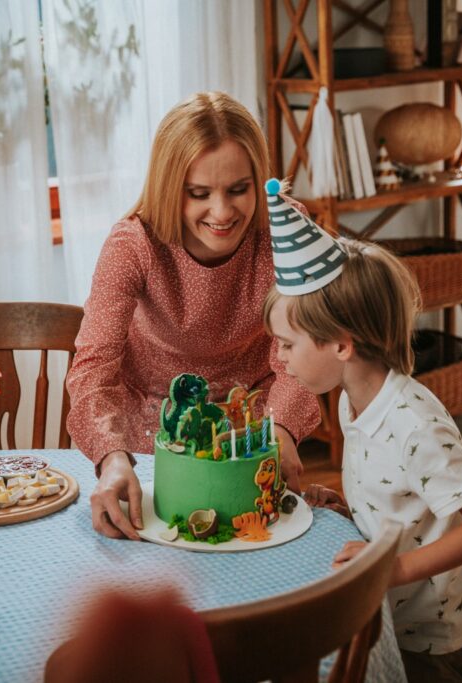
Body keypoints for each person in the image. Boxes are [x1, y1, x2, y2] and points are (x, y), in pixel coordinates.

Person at [262, 187, 462, 683]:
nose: (281, 357)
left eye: (287, 344)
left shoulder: (413, 423)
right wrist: (347, 505)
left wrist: (393, 570)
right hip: (402, 623)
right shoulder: (351, 399)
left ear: (340, 345)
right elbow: (398, 497)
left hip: (450, 632)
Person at [66, 92, 321, 541]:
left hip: (253, 433)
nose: (222, 212)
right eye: (199, 194)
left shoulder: (284, 229)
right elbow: (93, 368)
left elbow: (302, 350)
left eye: (239, 190)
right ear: (169, 187)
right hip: (151, 435)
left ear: (260, 181)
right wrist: (111, 456)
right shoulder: (133, 244)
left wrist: (281, 426)